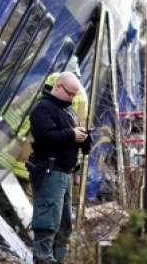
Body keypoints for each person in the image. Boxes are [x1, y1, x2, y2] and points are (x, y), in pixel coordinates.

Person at [27, 72, 92, 264]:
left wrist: (85, 138)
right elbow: (45, 137)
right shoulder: (43, 108)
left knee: (64, 224)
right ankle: (43, 258)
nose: (72, 98)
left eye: (74, 94)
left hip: (65, 173)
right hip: (49, 169)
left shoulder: (69, 112)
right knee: (47, 219)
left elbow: (76, 142)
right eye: (70, 93)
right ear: (58, 86)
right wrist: (71, 135)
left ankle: (58, 259)